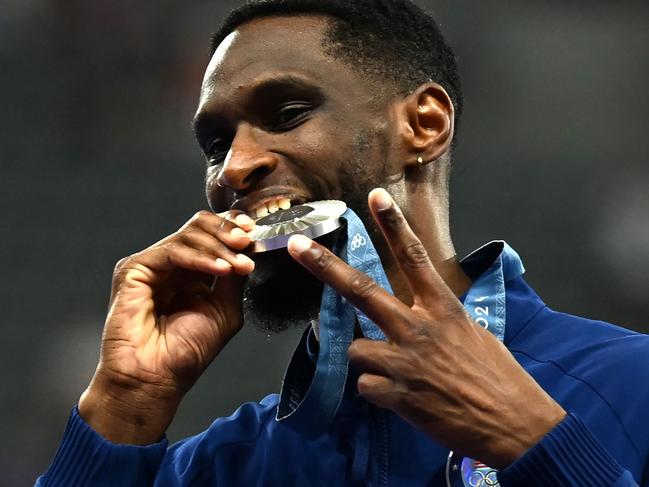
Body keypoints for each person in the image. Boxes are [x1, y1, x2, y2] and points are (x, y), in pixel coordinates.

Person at [37, 1, 648, 485]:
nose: (232, 169)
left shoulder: (629, 384)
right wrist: (126, 401)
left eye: (287, 112)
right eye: (217, 144)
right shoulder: (227, 466)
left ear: (424, 125)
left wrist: (536, 446)